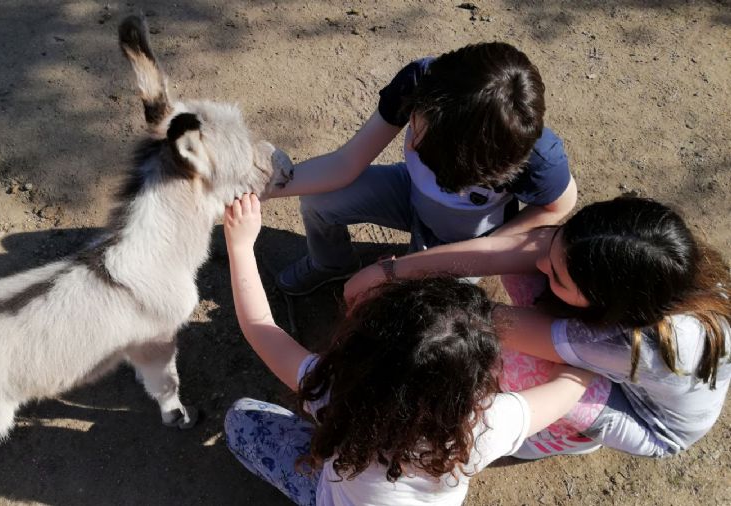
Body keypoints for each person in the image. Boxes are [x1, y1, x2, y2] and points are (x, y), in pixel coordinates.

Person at [221, 194, 596, 505]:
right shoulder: (485, 425)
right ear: (476, 376)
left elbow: (260, 327)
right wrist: (600, 343)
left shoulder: (335, 392)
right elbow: (570, 386)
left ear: (363, 347)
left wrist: (240, 246)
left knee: (240, 419)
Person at [344, 196, 731, 458]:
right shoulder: (654, 267)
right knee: (530, 262)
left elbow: (488, 323)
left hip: (647, 421)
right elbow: (516, 249)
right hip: (630, 357)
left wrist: (398, 298)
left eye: (560, 279)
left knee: (514, 360)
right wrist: (391, 272)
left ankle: (556, 436)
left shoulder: (636, 344)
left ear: (608, 304)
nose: (544, 268)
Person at [266, 42, 577, 296]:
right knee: (319, 200)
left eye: (429, 149)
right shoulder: (421, 82)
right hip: (409, 192)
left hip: (468, 234)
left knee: (415, 305)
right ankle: (332, 264)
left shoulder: (537, 158)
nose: (411, 145)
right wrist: (263, 187)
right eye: (415, 129)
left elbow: (559, 204)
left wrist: (484, 250)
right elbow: (346, 163)